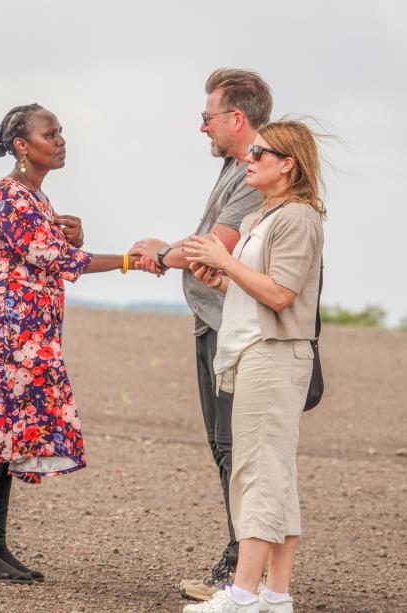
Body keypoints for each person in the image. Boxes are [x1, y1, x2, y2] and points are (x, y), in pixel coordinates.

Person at [0, 104, 141, 583]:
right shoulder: (11, 197)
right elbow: (58, 260)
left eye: (60, 132)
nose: (60, 140)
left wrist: (75, 237)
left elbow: (52, 254)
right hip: (2, 340)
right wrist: (128, 260)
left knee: (5, 439)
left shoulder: (33, 197)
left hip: (21, 343)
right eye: (50, 133)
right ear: (22, 145)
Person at [129, 69, 272, 600]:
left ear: (236, 118)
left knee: (237, 450)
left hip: (233, 330)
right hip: (213, 323)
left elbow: (218, 246)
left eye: (207, 117)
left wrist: (157, 256)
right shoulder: (239, 166)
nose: (202, 128)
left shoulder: (258, 170)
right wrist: (168, 252)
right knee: (224, 448)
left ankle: (243, 577)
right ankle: (241, 570)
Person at [181, 119, 325, 613]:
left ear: (288, 164)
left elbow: (282, 295)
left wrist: (225, 263)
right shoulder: (268, 215)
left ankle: (241, 595)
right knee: (273, 474)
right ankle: (275, 595)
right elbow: (257, 293)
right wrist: (222, 277)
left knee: (257, 472)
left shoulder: (297, 218)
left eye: (259, 153)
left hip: (274, 354)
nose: (249, 158)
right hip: (252, 351)